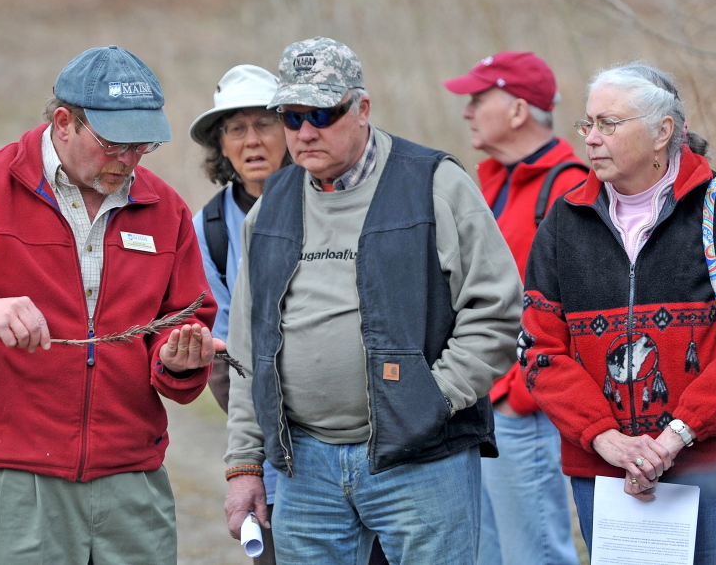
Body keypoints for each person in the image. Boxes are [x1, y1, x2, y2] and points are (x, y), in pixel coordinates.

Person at [0, 45, 222, 565]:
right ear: (63, 122)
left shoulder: (163, 209)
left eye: (143, 145)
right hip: (17, 479)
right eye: (113, 143)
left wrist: (177, 360)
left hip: (133, 480)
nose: (129, 159)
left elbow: (187, 319)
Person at [223, 36, 523, 564]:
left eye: (322, 111)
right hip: (304, 465)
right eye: (291, 118)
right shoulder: (270, 207)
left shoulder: (434, 183)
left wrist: (431, 400)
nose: (306, 131)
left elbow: (496, 311)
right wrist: (244, 465)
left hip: (423, 461)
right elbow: (249, 349)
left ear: (362, 108)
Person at [520, 61, 716, 563]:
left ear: (663, 132)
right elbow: (538, 348)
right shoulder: (563, 221)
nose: (591, 139)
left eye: (609, 124)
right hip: (606, 477)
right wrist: (605, 437)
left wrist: (675, 435)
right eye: (588, 124)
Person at [443, 51, 584, 565]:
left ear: (519, 110)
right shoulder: (493, 184)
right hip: (481, 408)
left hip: (525, 411)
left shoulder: (571, 189)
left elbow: (582, 308)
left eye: (479, 98)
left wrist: (522, 394)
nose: (468, 110)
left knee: (537, 553)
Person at [189, 64, 291, 564]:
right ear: (221, 145)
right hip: (268, 443)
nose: (252, 140)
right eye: (236, 128)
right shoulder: (208, 227)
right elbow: (223, 351)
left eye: (265, 124)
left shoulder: (332, 200)